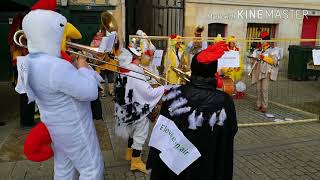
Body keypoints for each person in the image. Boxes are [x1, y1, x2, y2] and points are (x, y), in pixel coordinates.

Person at [15, 0, 104, 179]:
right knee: (92, 169)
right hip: (74, 128)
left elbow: (57, 84)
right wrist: (83, 66)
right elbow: (90, 92)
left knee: (64, 168)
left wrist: (72, 63)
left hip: (55, 127)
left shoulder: (29, 62)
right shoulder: (56, 66)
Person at [147, 41, 238, 180]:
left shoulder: (174, 94)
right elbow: (231, 131)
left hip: (176, 169)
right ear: (214, 73)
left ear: (192, 70)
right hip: (209, 165)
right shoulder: (225, 101)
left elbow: (162, 134)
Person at [114, 46, 165, 174]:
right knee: (140, 134)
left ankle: (129, 153)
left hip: (126, 108)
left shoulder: (122, 70)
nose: (139, 60)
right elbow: (148, 92)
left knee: (131, 130)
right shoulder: (135, 73)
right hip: (138, 109)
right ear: (133, 59)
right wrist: (164, 88)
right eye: (137, 58)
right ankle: (136, 161)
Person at [7, 12, 35, 128]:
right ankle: (27, 121)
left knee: (25, 92)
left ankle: (26, 120)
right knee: (27, 92)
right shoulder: (20, 33)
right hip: (24, 64)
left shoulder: (15, 31)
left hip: (20, 63)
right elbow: (22, 49)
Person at [250, 31, 279, 113]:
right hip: (258, 71)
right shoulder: (258, 50)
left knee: (264, 89)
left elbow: (274, 61)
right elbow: (253, 60)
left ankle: (265, 106)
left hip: (266, 72)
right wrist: (253, 58)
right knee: (258, 89)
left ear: (267, 41)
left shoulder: (272, 51)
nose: (262, 42)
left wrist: (263, 57)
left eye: (264, 40)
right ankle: (258, 105)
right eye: (262, 40)